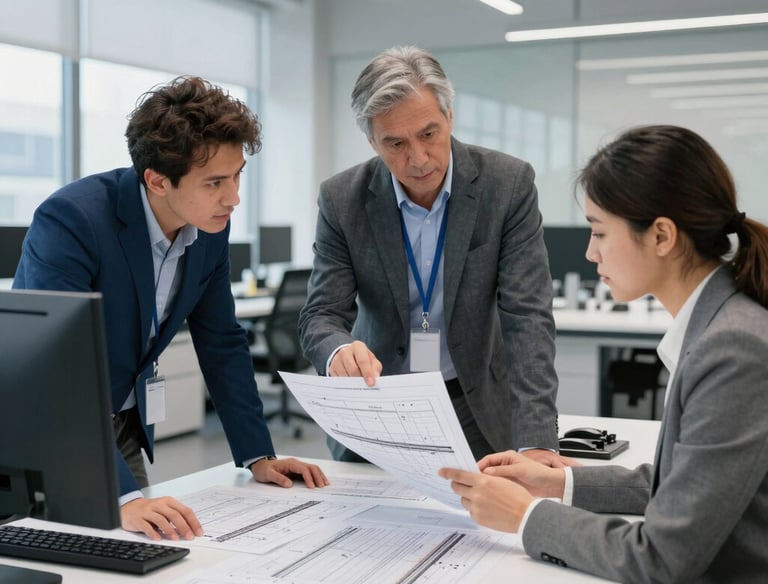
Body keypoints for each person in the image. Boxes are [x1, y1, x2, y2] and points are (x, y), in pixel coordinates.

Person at [440, 125, 768, 582]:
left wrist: (527, 516)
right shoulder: (722, 323)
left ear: (661, 236)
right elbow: (685, 483)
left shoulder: (734, 347)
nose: (591, 254)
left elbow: (663, 558)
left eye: (599, 232)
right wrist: (556, 482)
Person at [13, 76, 328, 541]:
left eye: (238, 175)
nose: (233, 197)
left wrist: (258, 454)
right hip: (50, 428)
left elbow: (222, 342)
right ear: (157, 181)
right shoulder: (73, 220)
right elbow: (57, 370)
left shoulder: (209, 230)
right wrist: (121, 497)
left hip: (120, 426)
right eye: (216, 182)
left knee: (153, 551)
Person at [298, 45, 566, 467]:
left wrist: (537, 440)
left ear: (450, 118)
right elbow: (320, 316)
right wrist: (337, 351)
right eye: (395, 143)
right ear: (371, 141)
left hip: (473, 402)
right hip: (378, 404)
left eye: (428, 134)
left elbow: (528, 318)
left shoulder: (506, 184)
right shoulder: (341, 199)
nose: (418, 159)